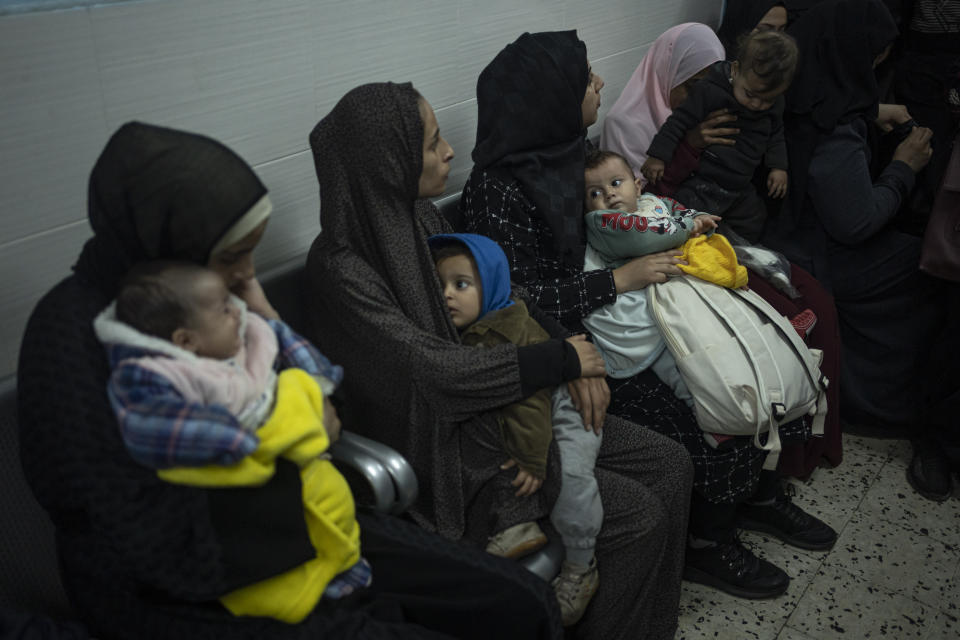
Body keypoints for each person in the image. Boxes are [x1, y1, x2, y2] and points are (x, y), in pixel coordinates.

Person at [17, 121, 564, 640]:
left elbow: (331, 404)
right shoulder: (70, 339)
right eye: (233, 257)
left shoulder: (214, 300)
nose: (242, 277)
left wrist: (262, 310)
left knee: (519, 602)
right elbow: (137, 533)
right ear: (173, 248)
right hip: (195, 579)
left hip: (297, 508)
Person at [304, 79, 693, 640]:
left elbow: (501, 296)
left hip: (511, 398)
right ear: (388, 160)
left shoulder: (421, 220)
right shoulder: (342, 269)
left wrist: (576, 355)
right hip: (453, 449)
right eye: (433, 142)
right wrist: (558, 361)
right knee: (635, 516)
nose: (449, 152)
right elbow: (429, 373)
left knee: (671, 465)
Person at [460, 29, 837, 604]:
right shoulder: (497, 191)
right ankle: (708, 542)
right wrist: (594, 324)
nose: (600, 83)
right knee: (702, 405)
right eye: (587, 79)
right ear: (551, 98)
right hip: (580, 340)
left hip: (620, 316)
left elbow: (629, 221)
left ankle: (755, 501)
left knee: (742, 355)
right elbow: (516, 300)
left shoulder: (566, 157)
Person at [600, 21, 843, 480]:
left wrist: (771, 167)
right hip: (675, 252)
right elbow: (639, 211)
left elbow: (758, 150)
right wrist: (688, 148)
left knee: (820, 305)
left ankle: (806, 452)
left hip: (722, 229)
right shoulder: (626, 127)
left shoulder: (747, 104)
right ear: (665, 74)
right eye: (690, 86)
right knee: (784, 316)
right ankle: (769, 475)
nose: (700, 97)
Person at [771, 0, 960, 500]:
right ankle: (890, 406)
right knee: (930, 267)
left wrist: (870, 112)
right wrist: (904, 166)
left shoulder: (793, 83)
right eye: (875, 57)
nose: (877, 66)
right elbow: (855, 222)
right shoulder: (837, 131)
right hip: (818, 256)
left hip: (787, 238)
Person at [429, 233, 603, 626]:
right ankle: (516, 524)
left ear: (490, 286)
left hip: (565, 407)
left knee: (574, 477)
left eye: (461, 284)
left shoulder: (506, 330)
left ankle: (580, 565)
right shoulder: (476, 328)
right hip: (534, 406)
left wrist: (532, 458)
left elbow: (530, 404)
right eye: (441, 286)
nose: (447, 296)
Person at [641, 29, 798, 242]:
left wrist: (779, 167)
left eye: (767, 99)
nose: (757, 105)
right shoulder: (710, 91)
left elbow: (776, 133)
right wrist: (658, 156)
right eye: (750, 94)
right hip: (706, 178)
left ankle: (742, 253)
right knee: (689, 217)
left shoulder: (773, 104)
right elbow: (678, 121)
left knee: (755, 220)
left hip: (740, 184)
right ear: (735, 70)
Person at [717, 1, 789, 55]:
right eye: (765, 30)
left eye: (781, 31)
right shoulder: (714, 69)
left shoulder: (782, 68)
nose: (777, 39)